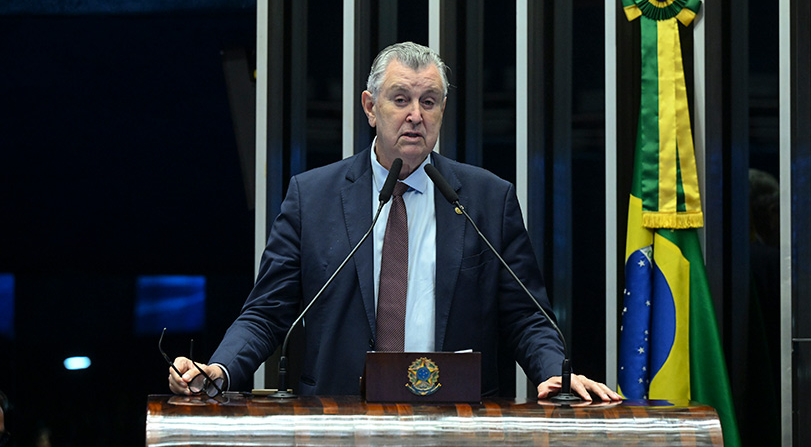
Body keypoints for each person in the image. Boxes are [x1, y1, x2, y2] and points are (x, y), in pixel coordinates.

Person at [168, 42, 619, 402]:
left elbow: (526, 316)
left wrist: (555, 372)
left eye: (429, 101)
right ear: (369, 107)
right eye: (400, 99)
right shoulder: (313, 197)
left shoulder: (486, 199)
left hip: (456, 425)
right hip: (338, 423)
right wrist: (220, 369)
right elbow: (268, 311)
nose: (415, 115)